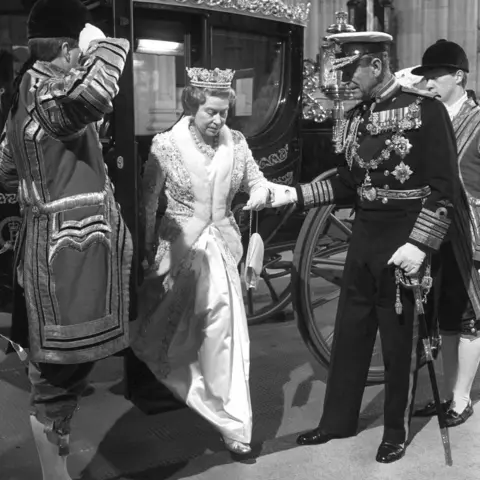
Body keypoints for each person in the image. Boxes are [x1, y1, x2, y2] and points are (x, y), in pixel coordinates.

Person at [269, 32, 460, 463]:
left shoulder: (425, 112)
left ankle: (396, 430)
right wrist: (296, 196)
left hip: (404, 239)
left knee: (398, 341)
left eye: (350, 70)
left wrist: (420, 243)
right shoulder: (355, 117)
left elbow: (445, 190)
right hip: (365, 237)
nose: (345, 81)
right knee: (351, 335)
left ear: (375, 65)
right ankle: (337, 421)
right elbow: (349, 184)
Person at [0, 1, 133, 479]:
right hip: (68, 253)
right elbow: (97, 91)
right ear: (62, 48)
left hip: (47, 243)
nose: (81, 58)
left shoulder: (24, 93)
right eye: (76, 48)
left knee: (62, 372)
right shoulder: (49, 92)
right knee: (57, 375)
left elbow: (5, 170)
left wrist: (43, 184)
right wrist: (103, 41)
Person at [129, 67, 272, 455]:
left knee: (224, 332)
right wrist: (144, 255)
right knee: (176, 334)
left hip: (223, 252)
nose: (219, 120)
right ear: (192, 106)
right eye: (211, 111)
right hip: (178, 250)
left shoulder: (237, 143)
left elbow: (255, 179)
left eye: (224, 112)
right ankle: (193, 391)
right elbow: (147, 205)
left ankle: (232, 421)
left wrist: (259, 192)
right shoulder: (166, 145)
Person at [411, 40, 480, 427]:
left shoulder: (477, 120)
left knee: (469, 315)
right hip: (432, 233)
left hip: (470, 234)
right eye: (426, 77)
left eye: (436, 76)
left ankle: (461, 398)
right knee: (444, 319)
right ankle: (450, 393)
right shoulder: (426, 119)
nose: (429, 83)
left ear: (459, 76)